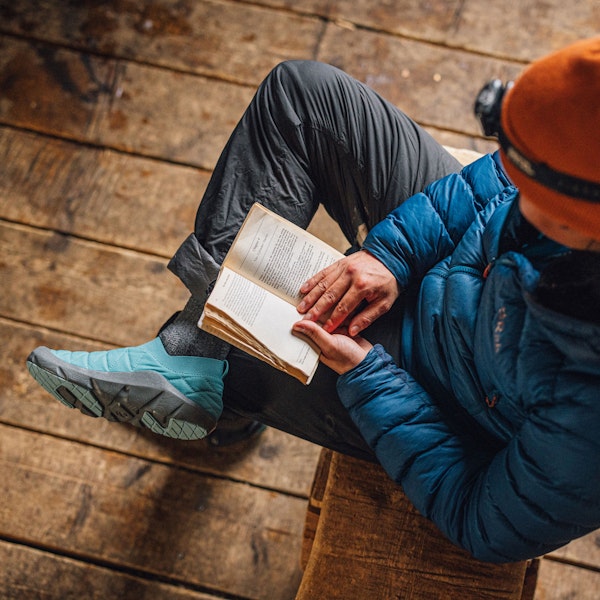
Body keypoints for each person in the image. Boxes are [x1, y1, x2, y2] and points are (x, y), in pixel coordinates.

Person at [26, 37, 600, 563]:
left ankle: (214, 395)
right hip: (453, 274)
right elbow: (490, 183)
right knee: (305, 97)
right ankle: (194, 345)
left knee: (249, 351)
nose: (511, 177)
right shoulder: (570, 163)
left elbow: (484, 522)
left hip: (436, 389)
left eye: (535, 184)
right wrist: (393, 255)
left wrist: (370, 379)